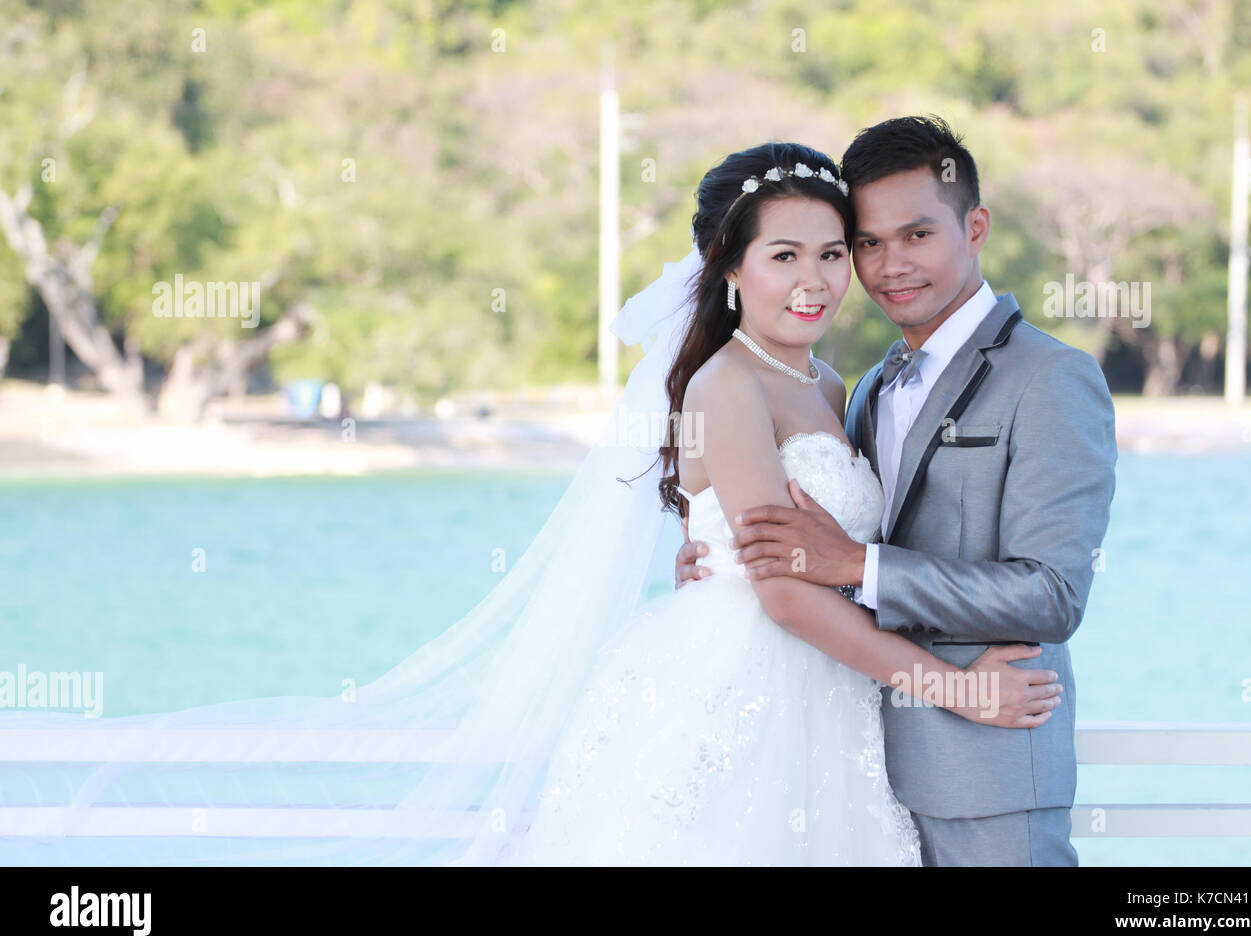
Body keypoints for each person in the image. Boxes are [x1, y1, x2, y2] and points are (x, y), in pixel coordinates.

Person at [0, 140, 1060, 869]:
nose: (817, 279)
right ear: (729, 269)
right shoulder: (725, 386)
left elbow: (819, 551)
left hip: (825, 695)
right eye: (784, 256)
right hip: (741, 686)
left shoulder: (834, 385)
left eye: (833, 253)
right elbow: (782, 595)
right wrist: (953, 687)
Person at [675, 117, 1118, 866]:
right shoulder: (869, 387)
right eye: (869, 244)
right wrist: (713, 573)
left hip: (987, 762)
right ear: (732, 268)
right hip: (840, 746)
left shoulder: (1050, 378)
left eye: (916, 236)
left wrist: (855, 566)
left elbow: (1052, 596)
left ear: (975, 226)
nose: (889, 266)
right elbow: (779, 565)